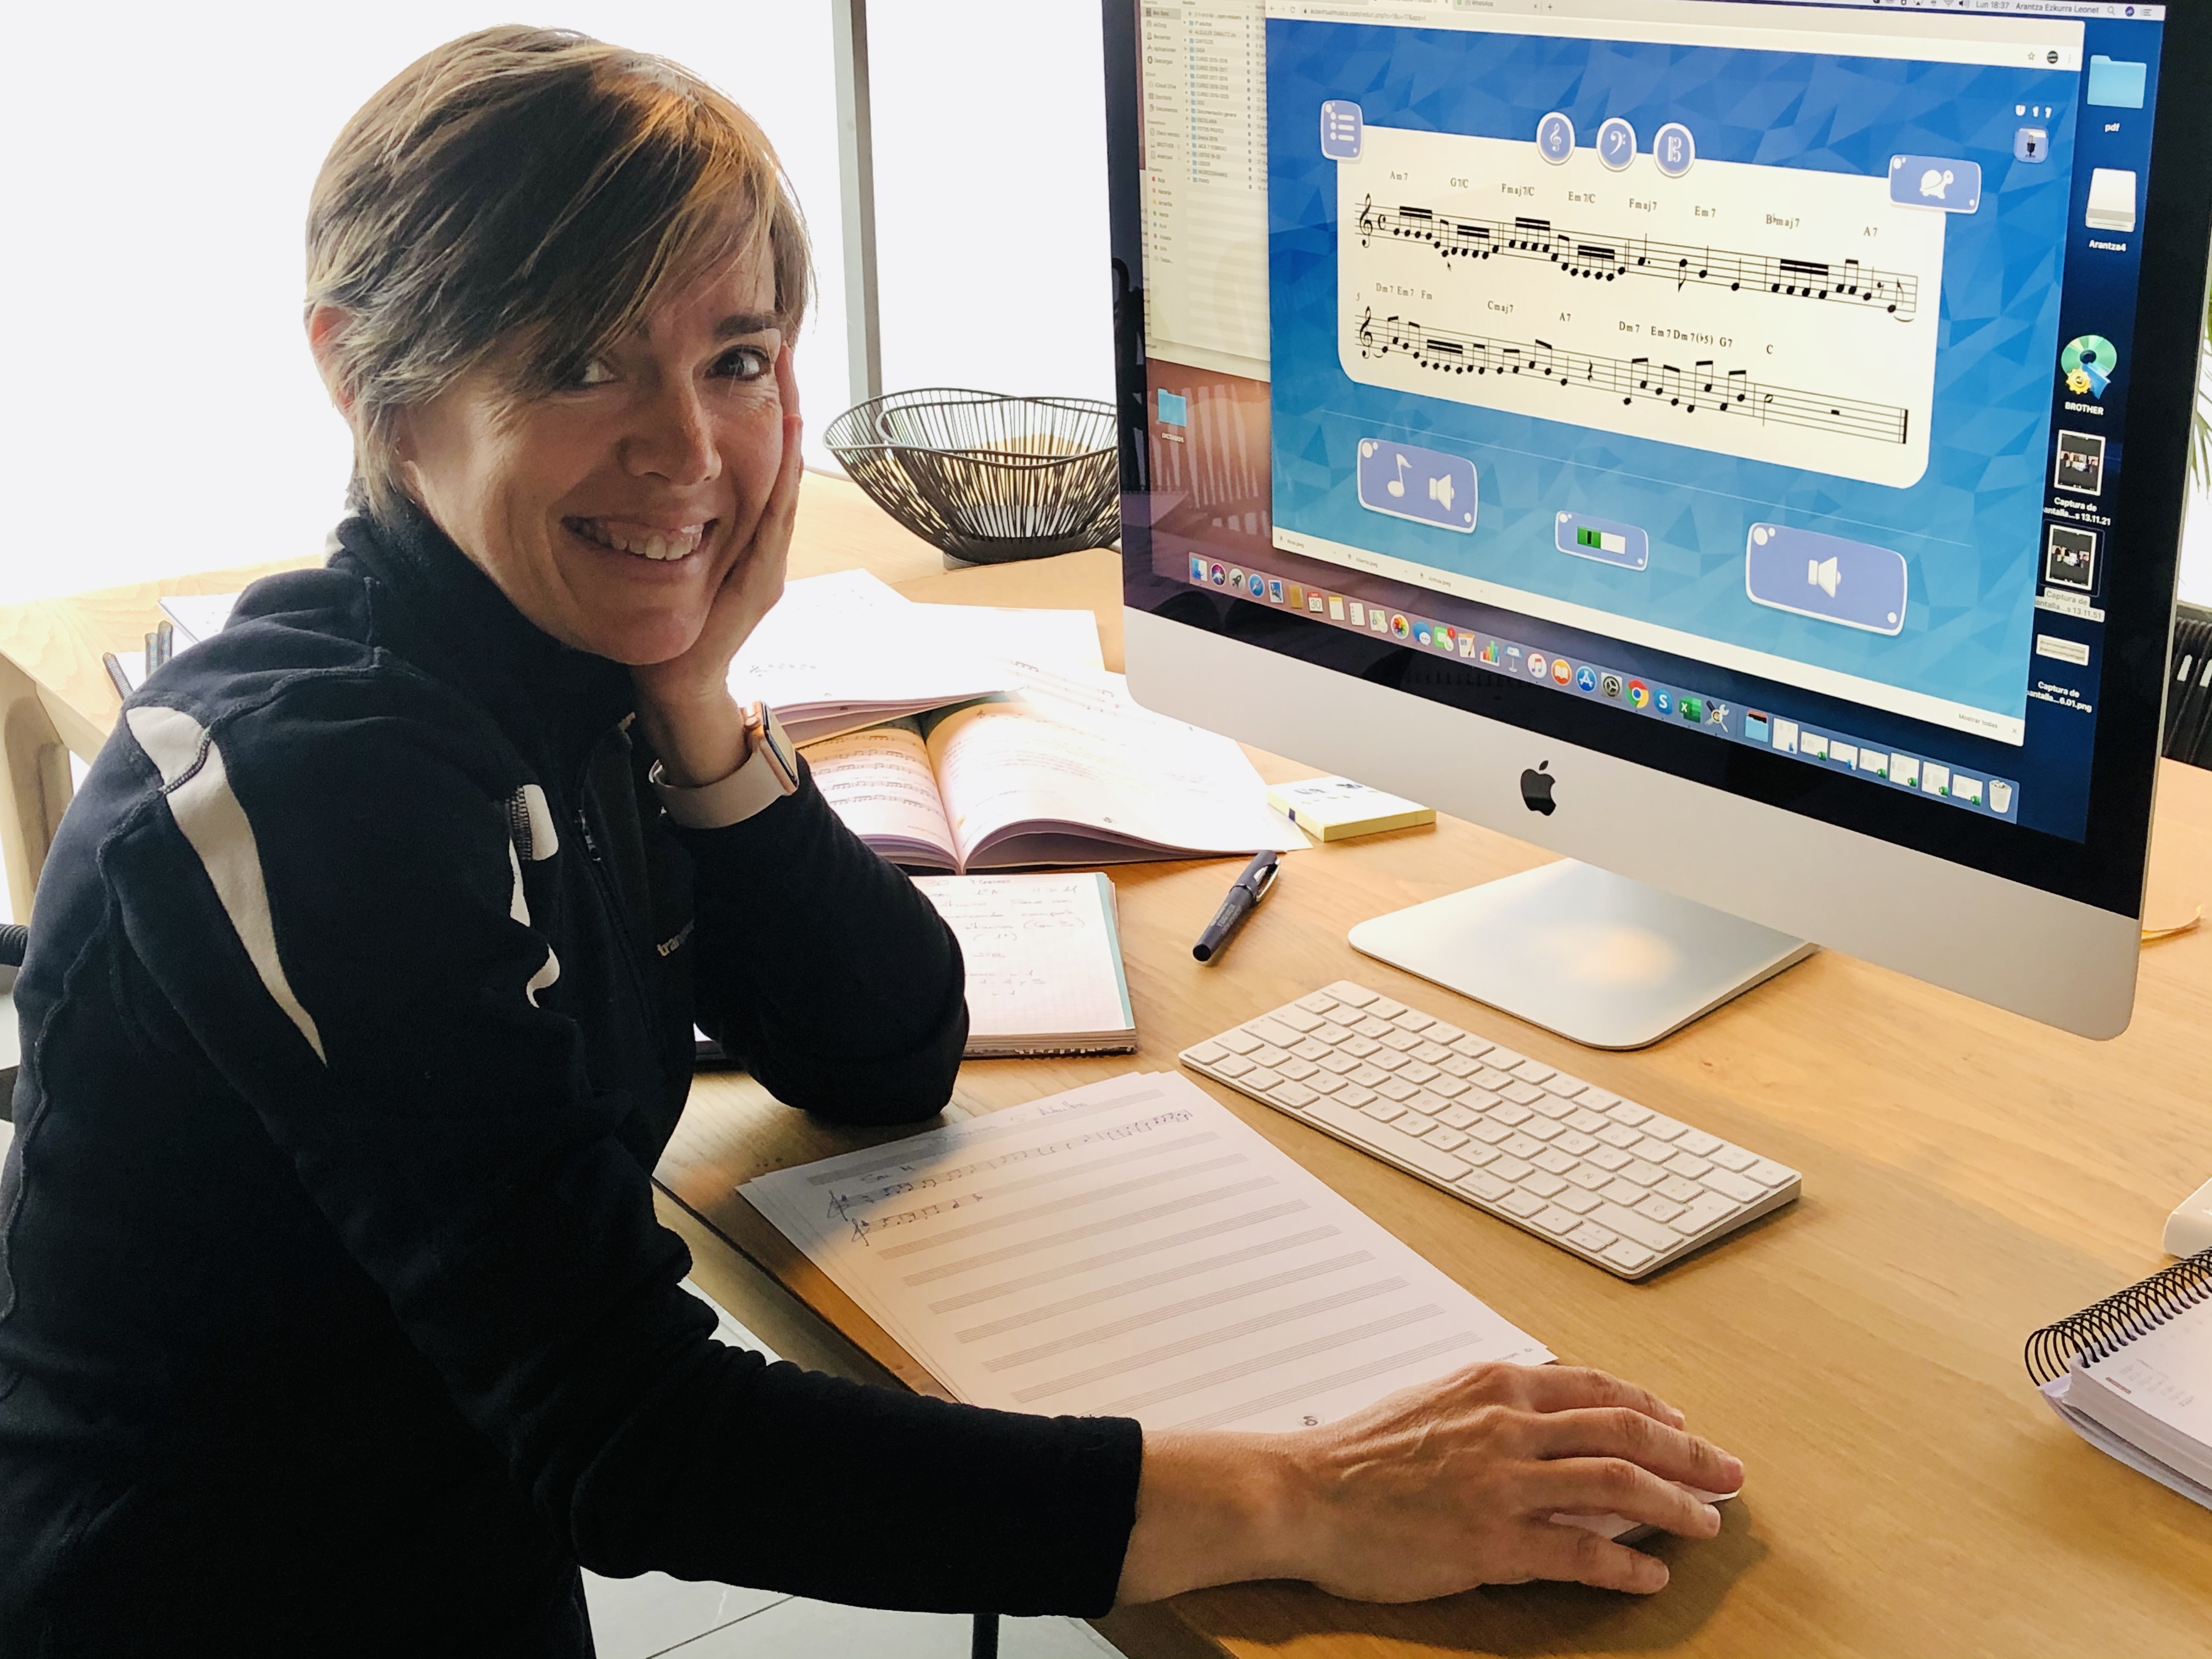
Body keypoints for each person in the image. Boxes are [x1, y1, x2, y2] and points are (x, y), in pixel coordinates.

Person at [0, 27, 1741, 1655]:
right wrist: (1307, 1498)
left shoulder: (568, 672)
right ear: (372, 382)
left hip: (437, 1525)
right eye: (577, 361)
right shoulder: (322, 782)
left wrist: (701, 707)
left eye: (736, 360)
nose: (690, 451)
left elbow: (884, 1055)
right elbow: (638, 1438)